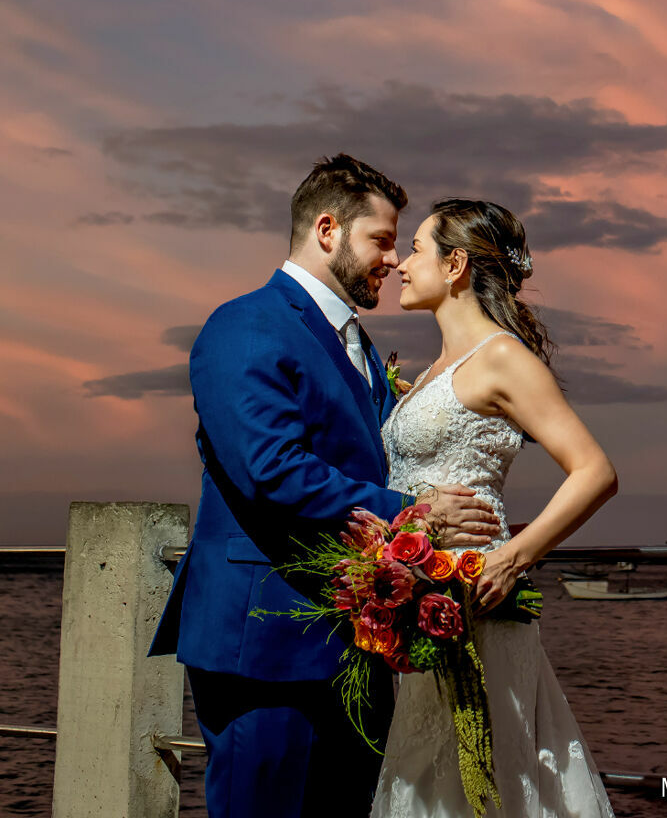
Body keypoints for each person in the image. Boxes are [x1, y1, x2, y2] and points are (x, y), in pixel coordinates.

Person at [149, 155, 502, 818]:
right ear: (328, 229)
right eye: (381, 239)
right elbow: (271, 471)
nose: (393, 260)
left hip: (356, 642)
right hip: (266, 642)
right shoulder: (246, 325)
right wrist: (415, 514)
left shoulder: (361, 347)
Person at [371, 197, 619, 818]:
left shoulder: (502, 358)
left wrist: (514, 556)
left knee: (485, 775)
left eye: (417, 250)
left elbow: (594, 471)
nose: (401, 263)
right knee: (428, 775)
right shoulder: (430, 373)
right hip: (420, 603)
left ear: (455, 265)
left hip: (476, 599)